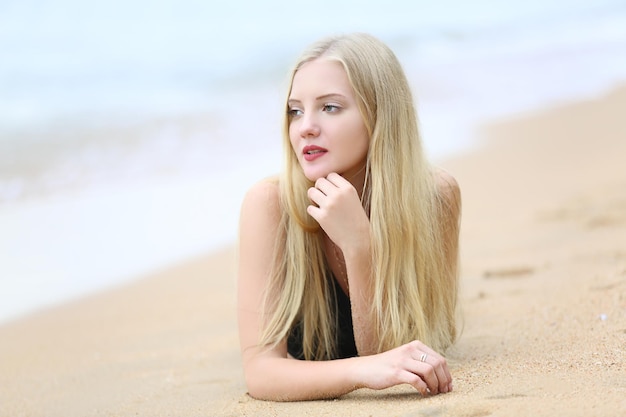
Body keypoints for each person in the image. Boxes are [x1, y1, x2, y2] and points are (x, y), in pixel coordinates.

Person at [237, 32, 461, 401]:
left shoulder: (436, 197)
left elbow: (406, 350)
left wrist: (359, 245)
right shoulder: (270, 205)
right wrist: (360, 370)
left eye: (330, 107)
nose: (305, 126)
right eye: (295, 110)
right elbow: (260, 371)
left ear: (380, 114)